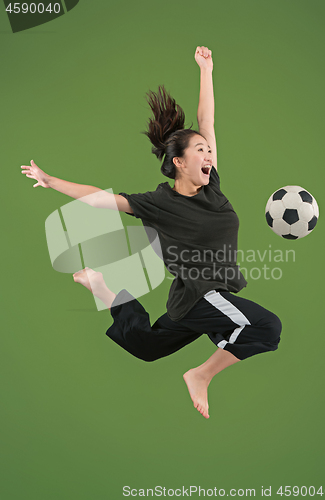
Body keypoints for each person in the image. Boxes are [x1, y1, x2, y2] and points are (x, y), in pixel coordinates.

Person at [21, 46, 282, 419]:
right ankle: (201, 376)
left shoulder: (213, 187)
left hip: (199, 298)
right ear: (179, 162)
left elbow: (206, 120)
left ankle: (103, 289)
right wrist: (49, 181)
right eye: (201, 151)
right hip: (200, 295)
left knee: (147, 347)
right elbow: (99, 199)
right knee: (267, 327)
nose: (209, 155)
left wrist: (205, 70)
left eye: (210, 151)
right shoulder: (157, 203)